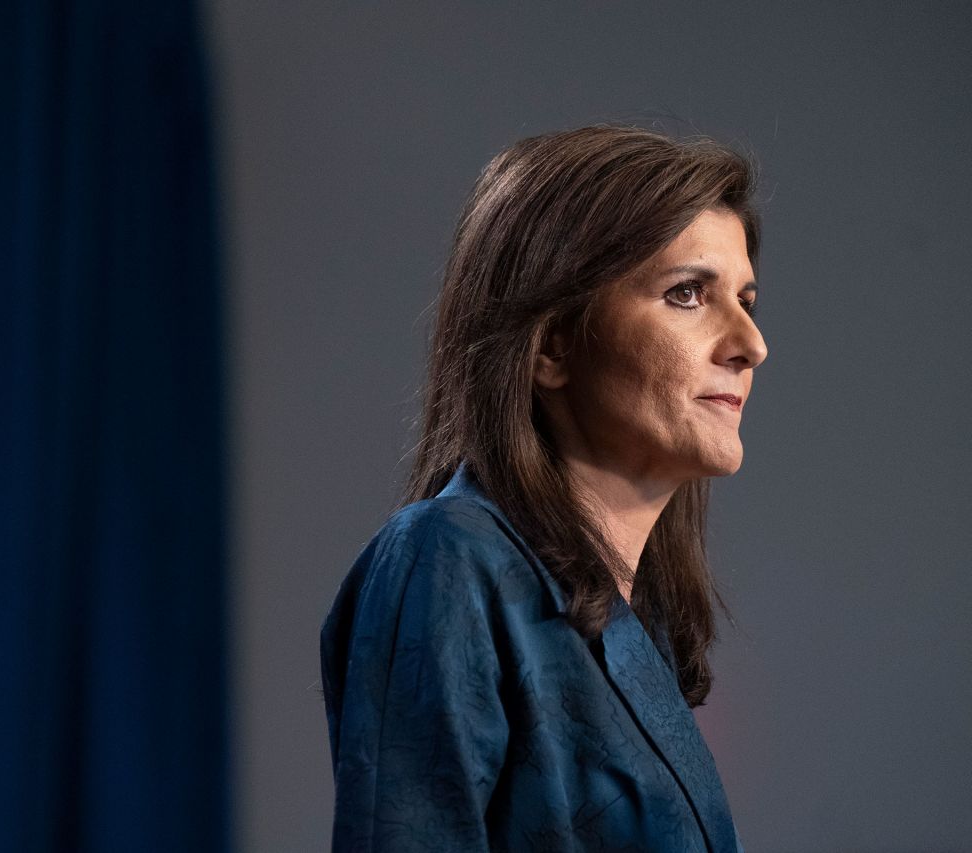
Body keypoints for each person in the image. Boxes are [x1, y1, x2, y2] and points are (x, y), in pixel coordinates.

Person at [319, 125, 769, 852]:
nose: (750, 343)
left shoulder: (637, 623)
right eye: (688, 293)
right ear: (553, 343)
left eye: (748, 299)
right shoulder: (447, 558)